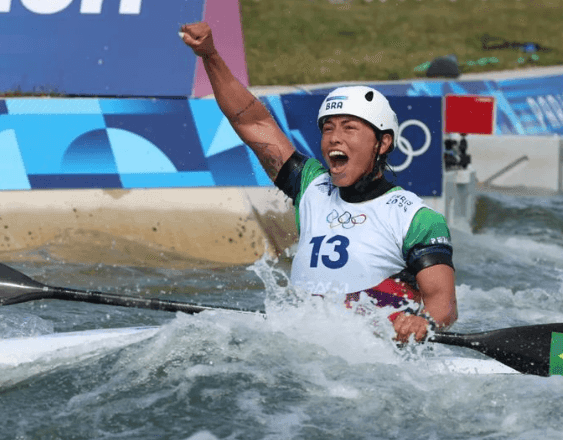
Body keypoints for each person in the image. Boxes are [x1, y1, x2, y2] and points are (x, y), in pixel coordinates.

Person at [180, 22, 457, 342]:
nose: (334, 139)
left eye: (349, 128)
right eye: (328, 128)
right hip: (307, 350)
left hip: (382, 357)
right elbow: (250, 119)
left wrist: (423, 322)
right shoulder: (310, 185)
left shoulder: (417, 219)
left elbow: (444, 304)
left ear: (382, 143)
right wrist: (210, 55)